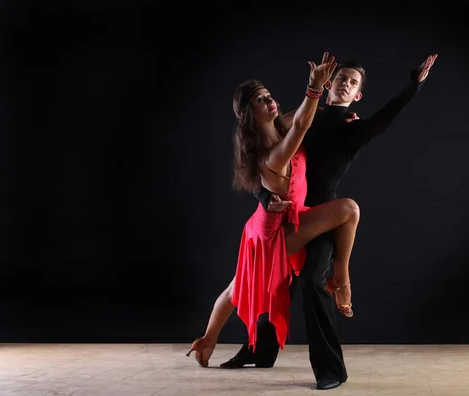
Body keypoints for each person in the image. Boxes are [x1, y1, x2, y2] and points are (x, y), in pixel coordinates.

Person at [219, 54, 438, 390]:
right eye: (341, 78)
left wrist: (414, 86)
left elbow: (385, 118)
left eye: (353, 82)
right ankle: (258, 351)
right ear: (330, 83)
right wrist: (264, 199)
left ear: (356, 96)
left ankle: (331, 369)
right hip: (290, 214)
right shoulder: (304, 116)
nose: (345, 82)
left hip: (322, 216)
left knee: (309, 283)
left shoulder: (355, 129)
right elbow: (262, 161)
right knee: (271, 280)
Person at [186, 52, 362, 370]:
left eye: (268, 95)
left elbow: (314, 118)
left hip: (263, 223)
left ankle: (208, 339)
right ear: (251, 116)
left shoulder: (278, 124)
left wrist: (344, 124)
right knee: (348, 209)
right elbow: (302, 126)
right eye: (260, 101)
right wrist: (313, 89)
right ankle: (341, 279)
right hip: (276, 232)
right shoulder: (271, 156)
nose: (270, 101)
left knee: (236, 286)